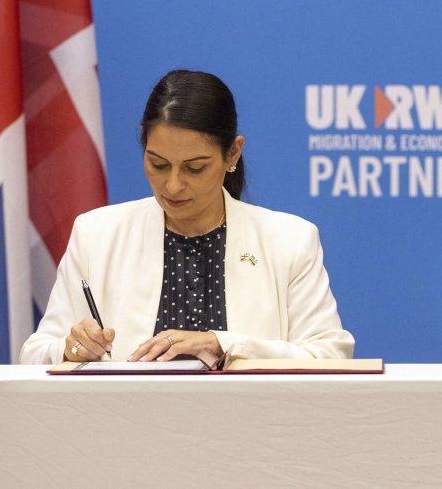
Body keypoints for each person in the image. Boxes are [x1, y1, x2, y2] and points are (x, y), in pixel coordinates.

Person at [20, 70, 354, 366]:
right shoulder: (96, 234)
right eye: (158, 164)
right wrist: (72, 350)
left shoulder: (289, 240)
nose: (173, 185)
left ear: (232, 153)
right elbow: (35, 353)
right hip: (123, 430)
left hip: (252, 430)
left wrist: (224, 345)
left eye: (195, 167)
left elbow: (331, 354)